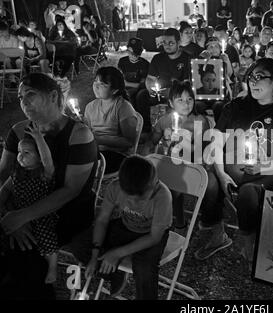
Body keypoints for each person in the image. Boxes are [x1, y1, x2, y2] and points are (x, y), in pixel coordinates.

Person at [199, 58, 273, 264]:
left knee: (248, 192)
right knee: (209, 181)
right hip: (230, 168)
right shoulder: (236, 107)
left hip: (271, 171)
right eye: (250, 77)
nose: (253, 82)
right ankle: (218, 234)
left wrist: (264, 165)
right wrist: (221, 174)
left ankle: (249, 242)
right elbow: (216, 144)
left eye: (259, 77)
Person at [0, 73, 98, 299]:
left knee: (24, 251)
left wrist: (22, 217)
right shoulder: (18, 130)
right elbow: (4, 176)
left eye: (31, 95)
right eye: (21, 97)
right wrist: (10, 215)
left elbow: (71, 190)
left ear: (53, 96)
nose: (24, 102)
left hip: (65, 213)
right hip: (21, 207)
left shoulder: (78, 134)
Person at [69, 155, 172, 300]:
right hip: (125, 226)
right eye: (130, 197)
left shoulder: (162, 196)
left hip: (149, 234)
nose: (134, 202)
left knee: (145, 271)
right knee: (79, 245)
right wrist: (94, 255)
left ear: (153, 184)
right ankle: (115, 273)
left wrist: (117, 253)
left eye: (140, 198)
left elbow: (154, 237)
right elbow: (103, 220)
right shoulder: (115, 187)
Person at [0, 123, 59, 284]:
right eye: (19, 152)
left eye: (27, 152)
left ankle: (52, 267)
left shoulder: (43, 174)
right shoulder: (16, 176)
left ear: (39, 156)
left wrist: (39, 138)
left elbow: (48, 161)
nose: (20, 156)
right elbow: (4, 191)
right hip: (20, 214)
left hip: (41, 215)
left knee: (47, 237)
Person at [151, 80, 211, 232]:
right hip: (172, 162)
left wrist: (182, 142)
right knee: (165, 184)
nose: (186, 104)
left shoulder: (199, 121)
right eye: (181, 100)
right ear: (171, 103)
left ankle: (195, 217)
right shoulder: (165, 120)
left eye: (189, 99)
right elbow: (152, 141)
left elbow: (200, 152)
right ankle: (176, 218)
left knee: (175, 185)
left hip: (194, 165)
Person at [135, 28, 191, 134]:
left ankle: (174, 130)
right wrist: (151, 88)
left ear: (178, 43)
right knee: (141, 96)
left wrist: (173, 92)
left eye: (171, 43)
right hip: (159, 92)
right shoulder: (158, 58)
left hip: (177, 94)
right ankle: (146, 130)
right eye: (164, 43)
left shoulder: (186, 59)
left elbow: (186, 83)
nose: (167, 46)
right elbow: (150, 78)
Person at [84, 67, 138, 174]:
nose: (96, 86)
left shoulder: (123, 107)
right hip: (94, 151)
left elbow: (129, 141)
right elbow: (88, 133)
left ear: (115, 90)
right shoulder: (90, 107)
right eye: (95, 81)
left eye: (103, 84)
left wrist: (99, 139)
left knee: (85, 169)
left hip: (116, 154)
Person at [117, 37, 149, 108]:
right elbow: (119, 78)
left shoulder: (145, 64)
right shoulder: (122, 61)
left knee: (132, 97)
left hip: (138, 90)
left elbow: (143, 85)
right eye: (129, 51)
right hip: (124, 88)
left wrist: (127, 83)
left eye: (134, 52)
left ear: (139, 52)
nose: (131, 55)